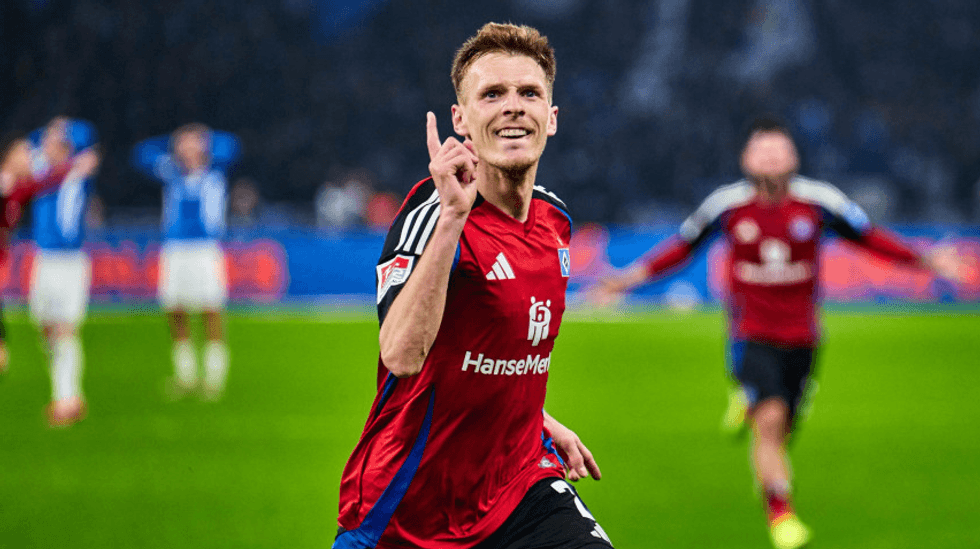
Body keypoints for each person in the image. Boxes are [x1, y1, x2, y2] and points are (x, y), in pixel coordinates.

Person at [596, 116, 955, 549]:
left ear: (793, 158)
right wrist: (628, 278)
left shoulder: (819, 201)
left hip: (803, 336)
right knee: (769, 422)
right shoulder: (727, 205)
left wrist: (926, 261)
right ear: (746, 159)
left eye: (777, 149)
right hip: (751, 332)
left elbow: (869, 238)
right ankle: (781, 513)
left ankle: (745, 405)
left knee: (783, 427)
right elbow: (683, 247)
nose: (769, 157)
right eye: (761, 149)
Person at [333, 23, 612, 549]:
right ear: (460, 119)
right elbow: (401, 355)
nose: (513, 107)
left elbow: (487, 354)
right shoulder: (433, 213)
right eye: (492, 94)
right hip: (408, 510)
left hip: (520, 485)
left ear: (551, 118)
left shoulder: (556, 220)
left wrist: (538, 420)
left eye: (529, 93)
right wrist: (452, 221)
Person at [133, 124, 240, 401]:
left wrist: (203, 136)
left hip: (205, 249)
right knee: (174, 309)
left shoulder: (215, 171)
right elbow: (140, 154)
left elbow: (232, 145)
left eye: (194, 143)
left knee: (210, 309)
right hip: (175, 249)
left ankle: (214, 377)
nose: (189, 148)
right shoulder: (171, 171)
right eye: (184, 143)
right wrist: (173, 140)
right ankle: (186, 375)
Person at [24, 117, 100, 427]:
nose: (47, 145)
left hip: (70, 261)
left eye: (55, 142)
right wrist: (51, 129)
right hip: (43, 259)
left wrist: (65, 126)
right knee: (44, 325)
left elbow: (89, 137)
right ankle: (66, 392)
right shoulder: (41, 171)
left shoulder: (78, 170)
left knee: (66, 329)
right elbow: (28, 143)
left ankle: (67, 399)